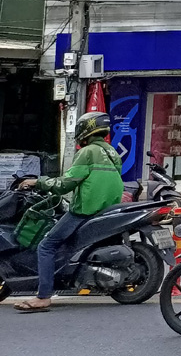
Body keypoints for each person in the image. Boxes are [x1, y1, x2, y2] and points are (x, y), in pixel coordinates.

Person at [14, 112, 124, 313]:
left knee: (46, 245)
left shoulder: (87, 152)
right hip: (107, 210)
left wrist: (38, 181)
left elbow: (66, 184)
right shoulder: (112, 152)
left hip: (85, 211)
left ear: (86, 130)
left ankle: (43, 296)